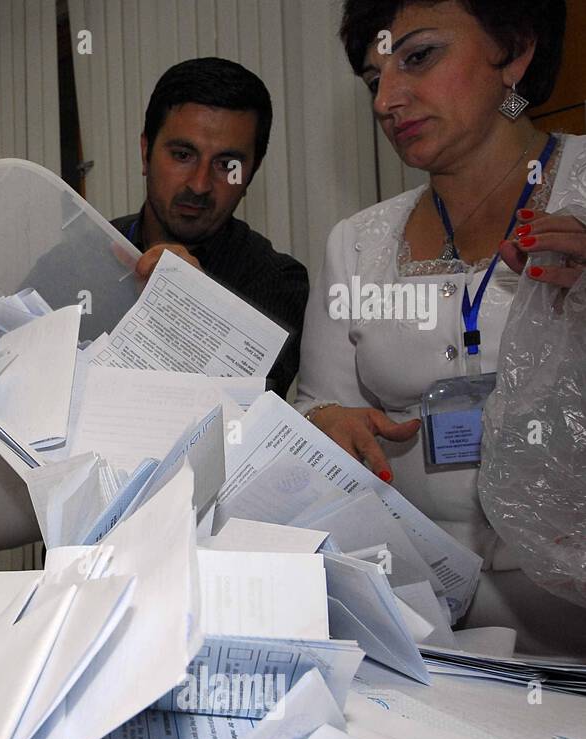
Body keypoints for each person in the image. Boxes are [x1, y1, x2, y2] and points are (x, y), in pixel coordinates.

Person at [297, 0, 583, 651]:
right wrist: (323, 426)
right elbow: (319, 406)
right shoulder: (358, 244)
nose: (386, 100)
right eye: (374, 79)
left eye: (418, 57)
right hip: (420, 627)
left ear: (513, 50)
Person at [114, 58, 310, 396]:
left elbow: (241, 419)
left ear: (252, 172)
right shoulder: (86, 250)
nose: (201, 184)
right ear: (146, 151)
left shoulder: (277, 283)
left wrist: (194, 299)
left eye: (226, 165)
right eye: (182, 155)